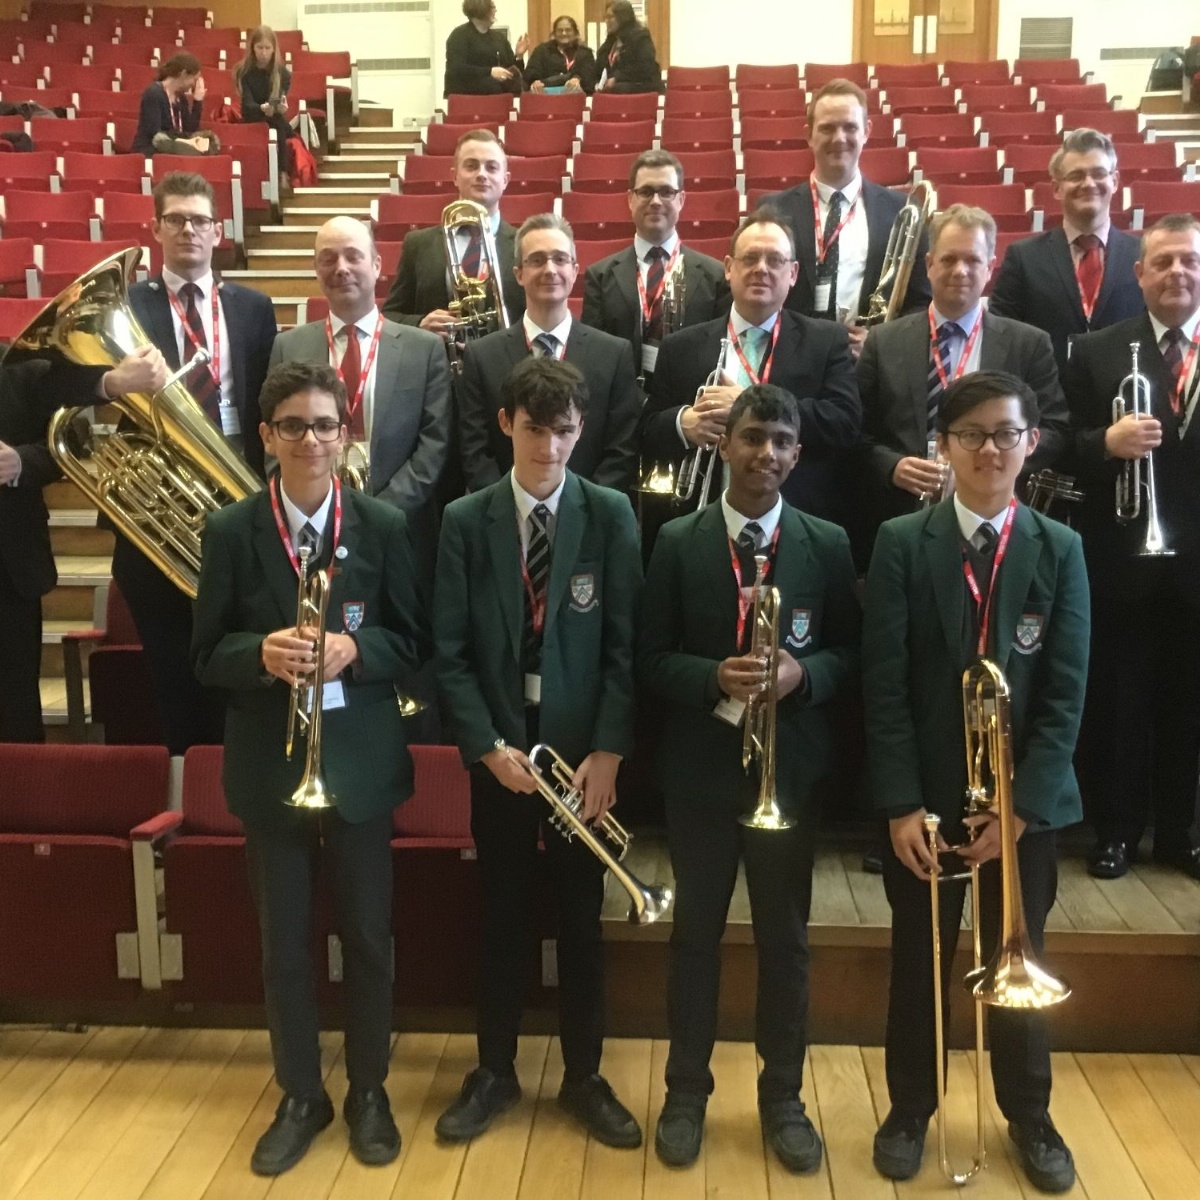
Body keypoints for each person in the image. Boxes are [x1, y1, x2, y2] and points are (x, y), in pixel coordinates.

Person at [192, 360, 428, 1176]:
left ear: (345, 433)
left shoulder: (384, 528)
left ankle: (368, 1090)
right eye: (293, 425)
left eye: (325, 424)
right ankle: (302, 1093)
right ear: (267, 437)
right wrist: (258, 651)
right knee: (282, 947)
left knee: (368, 937)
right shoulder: (229, 531)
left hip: (358, 768)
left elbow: (415, 643)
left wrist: (355, 648)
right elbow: (203, 655)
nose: (312, 439)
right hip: (271, 770)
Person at [863, 370, 1088, 1194]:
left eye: (1006, 433)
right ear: (944, 448)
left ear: (1030, 442)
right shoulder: (901, 543)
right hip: (924, 803)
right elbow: (883, 687)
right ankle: (908, 1110)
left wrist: (1022, 808)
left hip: (1022, 809)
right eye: (971, 435)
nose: (989, 449)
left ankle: (1030, 1115)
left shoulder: (1061, 549)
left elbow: (1066, 694)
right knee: (918, 962)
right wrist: (899, 804)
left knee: (1018, 959)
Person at [638, 383, 859, 1173]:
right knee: (694, 938)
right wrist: (709, 678)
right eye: (753, 437)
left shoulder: (829, 542)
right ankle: (685, 1092)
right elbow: (649, 659)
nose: (767, 453)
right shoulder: (675, 542)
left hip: (788, 779)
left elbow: (852, 654)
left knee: (786, 944)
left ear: (799, 455)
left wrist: (806, 675)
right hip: (700, 775)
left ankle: (783, 1098)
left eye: (782, 441)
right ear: (724, 445)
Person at [433, 356, 643, 1149]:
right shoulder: (466, 519)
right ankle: (494, 1070)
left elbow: (624, 647)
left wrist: (610, 753)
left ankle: (584, 1076)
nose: (548, 447)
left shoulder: (612, 514)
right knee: (503, 915)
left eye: (562, 431)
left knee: (582, 920)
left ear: (580, 430)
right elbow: (449, 653)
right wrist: (486, 748)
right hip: (501, 754)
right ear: (505, 425)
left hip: (582, 758)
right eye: (533, 429)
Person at [119, 171, 278, 754]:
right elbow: (54, 378)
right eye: (176, 219)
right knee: (170, 656)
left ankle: (236, 778)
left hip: (234, 475)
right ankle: (185, 774)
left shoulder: (254, 307)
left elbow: (269, 395)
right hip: (158, 497)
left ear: (219, 232)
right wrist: (111, 381)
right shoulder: (127, 304)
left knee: (238, 646)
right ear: (156, 227)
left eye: (200, 220)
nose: (189, 229)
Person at [1063, 213, 1200, 882]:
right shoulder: (1096, 350)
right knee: (1120, 705)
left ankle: (1181, 833)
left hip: (1198, 565)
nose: (1178, 271)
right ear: (1138, 273)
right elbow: (1058, 444)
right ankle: (1115, 832)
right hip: (1122, 559)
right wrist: (1104, 444)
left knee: (1190, 706)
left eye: (1189, 261)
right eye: (1164, 261)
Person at [856, 204, 1069, 564]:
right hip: (903, 521)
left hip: (998, 521)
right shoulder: (883, 341)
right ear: (928, 265)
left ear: (990, 267)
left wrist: (995, 463)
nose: (960, 271)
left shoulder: (1028, 344)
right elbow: (855, 433)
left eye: (972, 260)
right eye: (949, 259)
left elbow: (1054, 430)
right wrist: (891, 466)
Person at [642, 209, 861, 526]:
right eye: (750, 258)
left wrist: (748, 404)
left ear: (794, 273)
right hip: (702, 524)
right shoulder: (680, 346)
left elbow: (845, 423)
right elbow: (648, 429)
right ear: (729, 268)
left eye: (775, 260)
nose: (762, 269)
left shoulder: (826, 340)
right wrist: (683, 422)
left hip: (797, 520)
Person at [269, 216, 451, 595]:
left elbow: (433, 447)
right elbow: (276, 440)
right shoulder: (288, 346)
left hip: (402, 528)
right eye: (328, 258)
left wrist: (375, 515)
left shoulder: (424, 348)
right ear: (315, 268)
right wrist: (316, 510)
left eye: (353, 256)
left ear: (377, 265)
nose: (341, 268)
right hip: (312, 530)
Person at [459, 213, 640, 493]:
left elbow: (622, 451)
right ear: (518, 273)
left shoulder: (614, 354)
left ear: (574, 269)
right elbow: (474, 452)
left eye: (560, 259)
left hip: (589, 519)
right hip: (505, 517)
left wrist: (582, 508)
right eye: (537, 260)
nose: (550, 269)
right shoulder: (481, 356)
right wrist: (513, 506)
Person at [761, 79, 931, 357]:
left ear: (866, 131)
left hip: (870, 367)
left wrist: (881, 341)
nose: (839, 138)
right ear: (809, 134)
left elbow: (921, 302)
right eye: (827, 128)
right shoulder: (774, 209)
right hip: (791, 360)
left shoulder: (903, 212)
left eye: (850, 127)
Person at [990, 128, 1145, 374]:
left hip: (1122, 401)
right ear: (1056, 188)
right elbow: (1000, 339)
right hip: (1045, 401)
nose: (1089, 183)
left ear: (1115, 181)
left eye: (1099, 174)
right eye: (1076, 176)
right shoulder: (1022, 258)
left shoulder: (1143, 254)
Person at [581, 149, 731, 384]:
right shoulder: (599, 276)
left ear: (681, 199)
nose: (656, 201)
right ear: (630, 198)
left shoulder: (716, 277)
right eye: (646, 191)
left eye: (666, 192)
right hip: (622, 404)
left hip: (690, 405)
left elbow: (720, 355)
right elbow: (593, 354)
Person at [382, 130, 526, 336]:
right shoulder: (418, 244)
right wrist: (420, 324)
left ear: (505, 180)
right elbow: (390, 315)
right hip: (436, 362)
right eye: (471, 166)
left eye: (491, 167)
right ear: (455, 176)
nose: (482, 174)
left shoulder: (524, 244)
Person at [0, 359, 58, 743]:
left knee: (17, 705)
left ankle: (23, 802)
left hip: (10, 569)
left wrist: (21, 461)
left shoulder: (25, 370)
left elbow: (69, 439)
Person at [232, 25, 293, 176]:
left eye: (267, 48)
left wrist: (281, 108)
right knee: (276, 127)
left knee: (278, 125)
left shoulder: (283, 73)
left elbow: (278, 100)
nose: (264, 53)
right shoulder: (244, 71)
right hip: (252, 116)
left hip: (273, 116)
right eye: (260, 48)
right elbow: (248, 104)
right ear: (253, 48)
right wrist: (262, 108)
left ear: (274, 49)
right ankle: (279, 174)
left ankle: (282, 174)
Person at [132, 52, 211, 156]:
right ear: (183, 74)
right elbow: (155, 134)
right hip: (151, 152)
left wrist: (197, 102)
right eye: (194, 79)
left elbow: (190, 131)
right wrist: (181, 141)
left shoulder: (181, 98)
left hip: (174, 151)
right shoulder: (153, 94)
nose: (193, 84)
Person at [444, 0, 529, 98]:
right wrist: (490, 72)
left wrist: (519, 56)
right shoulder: (459, 35)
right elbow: (456, 69)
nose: (495, 10)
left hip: (498, 97)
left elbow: (510, 71)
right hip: (468, 98)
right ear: (481, 9)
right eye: (492, 7)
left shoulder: (499, 38)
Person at [596, 1, 663, 94]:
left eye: (610, 17)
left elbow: (645, 67)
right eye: (605, 17)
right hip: (619, 88)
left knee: (617, 88)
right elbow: (601, 64)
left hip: (643, 87)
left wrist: (617, 78)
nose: (607, 21)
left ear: (623, 17)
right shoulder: (611, 41)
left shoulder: (640, 36)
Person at [523, 15, 596, 94]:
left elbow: (589, 77)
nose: (564, 33)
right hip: (546, 97)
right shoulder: (541, 51)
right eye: (560, 30)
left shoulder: (585, 53)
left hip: (576, 98)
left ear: (575, 33)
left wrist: (577, 78)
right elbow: (531, 72)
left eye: (568, 30)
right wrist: (535, 81)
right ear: (554, 33)